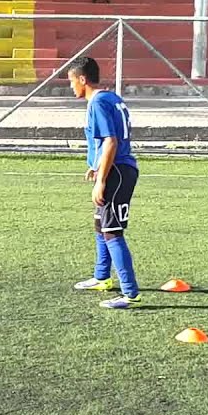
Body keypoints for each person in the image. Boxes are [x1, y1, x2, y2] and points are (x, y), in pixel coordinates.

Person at [68, 56, 141, 309]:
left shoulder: (96, 102)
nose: (71, 88)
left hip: (117, 173)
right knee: (101, 225)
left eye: (71, 81)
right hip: (114, 168)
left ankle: (130, 293)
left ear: (82, 79)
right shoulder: (112, 97)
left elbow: (111, 141)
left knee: (112, 231)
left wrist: (101, 180)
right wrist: (96, 166)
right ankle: (102, 277)